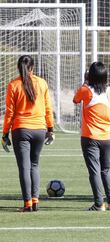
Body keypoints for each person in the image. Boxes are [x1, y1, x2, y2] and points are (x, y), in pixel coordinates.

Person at [1, 55, 55, 212]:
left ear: (19, 68)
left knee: (24, 167)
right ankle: (35, 201)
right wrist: (50, 129)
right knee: (34, 165)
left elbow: (9, 113)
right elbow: (48, 108)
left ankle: (27, 204)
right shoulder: (42, 83)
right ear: (32, 67)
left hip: (21, 130)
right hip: (40, 129)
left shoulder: (14, 85)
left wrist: (4, 134)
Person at [73, 61, 110, 211]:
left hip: (90, 136)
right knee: (106, 170)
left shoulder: (86, 90)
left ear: (91, 76)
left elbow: (75, 100)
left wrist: (85, 82)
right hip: (107, 136)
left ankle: (98, 203)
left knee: (94, 170)